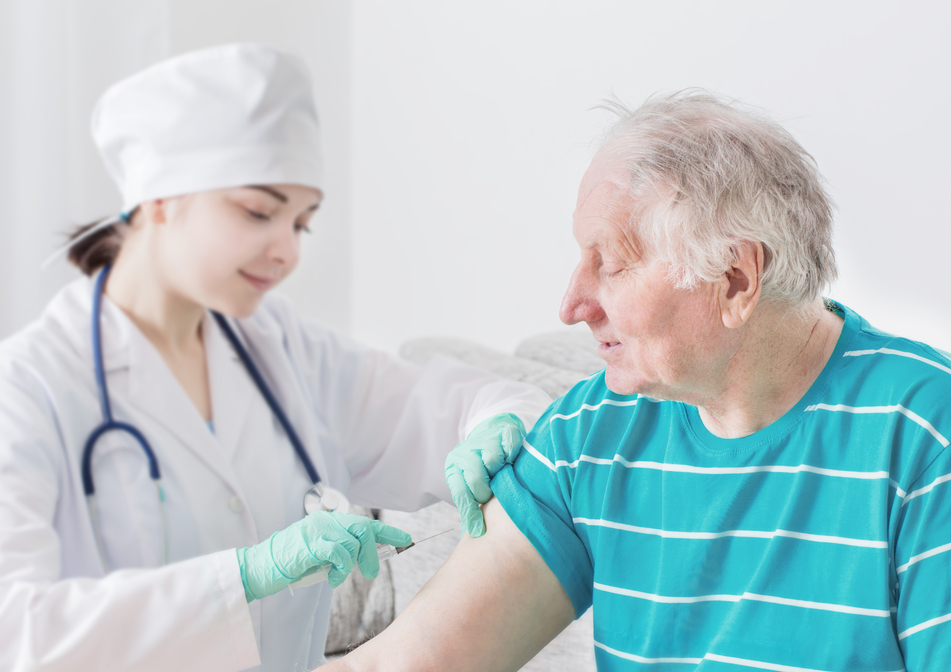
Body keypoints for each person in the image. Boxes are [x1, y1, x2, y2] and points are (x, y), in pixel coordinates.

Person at [321, 91, 951, 671]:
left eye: (610, 263)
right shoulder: (593, 431)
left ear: (735, 278)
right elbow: (399, 663)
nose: (572, 305)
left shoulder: (932, 432)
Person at [0, 44, 550, 672]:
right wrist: (245, 576)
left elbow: (463, 405)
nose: (287, 252)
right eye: (259, 212)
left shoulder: (280, 345)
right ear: (158, 199)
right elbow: (16, 630)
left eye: (302, 223)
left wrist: (495, 425)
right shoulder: (28, 386)